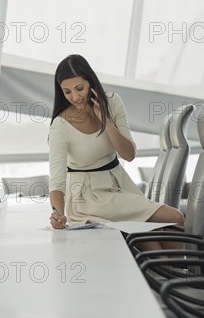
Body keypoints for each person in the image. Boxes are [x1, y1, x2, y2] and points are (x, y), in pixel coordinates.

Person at [48, 54, 184, 250]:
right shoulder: (60, 125)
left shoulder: (113, 102)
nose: (75, 97)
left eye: (80, 88)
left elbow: (129, 154)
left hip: (119, 185)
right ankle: (176, 278)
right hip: (88, 198)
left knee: (169, 229)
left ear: (90, 82)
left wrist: (105, 120)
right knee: (172, 220)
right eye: (67, 92)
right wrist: (58, 215)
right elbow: (57, 181)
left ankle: (180, 277)